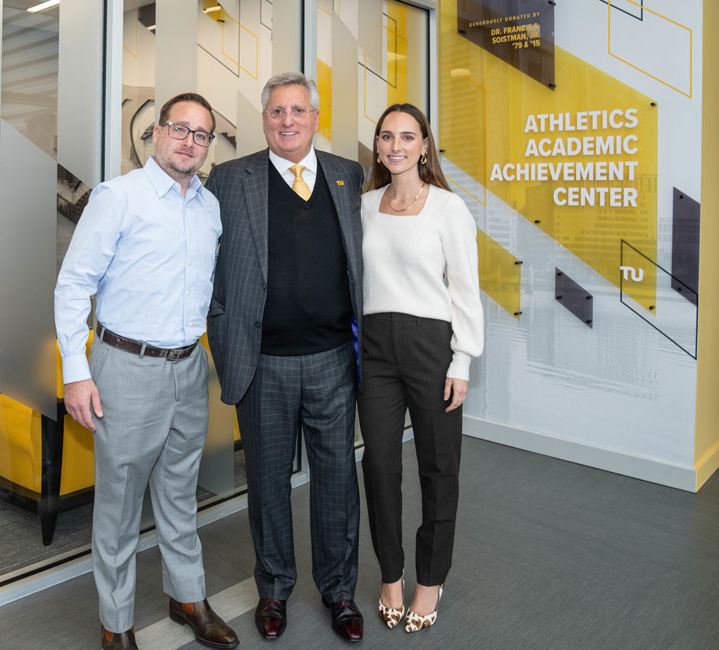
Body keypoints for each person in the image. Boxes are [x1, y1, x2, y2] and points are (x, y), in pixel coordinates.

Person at [54, 93, 239, 650]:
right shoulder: (118, 198)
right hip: (126, 369)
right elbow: (72, 286)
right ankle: (116, 626)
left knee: (182, 493)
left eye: (201, 134)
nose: (190, 141)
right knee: (118, 506)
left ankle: (187, 597)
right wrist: (75, 371)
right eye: (180, 129)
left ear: (208, 146)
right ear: (155, 134)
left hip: (188, 366)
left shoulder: (209, 207)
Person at [204, 72, 365, 643]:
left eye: (298, 110)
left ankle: (339, 590)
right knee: (268, 481)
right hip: (262, 361)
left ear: (316, 119)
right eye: (277, 111)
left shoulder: (348, 175)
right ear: (264, 120)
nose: (287, 120)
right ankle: (273, 588)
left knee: (337, 480)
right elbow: (198, 256)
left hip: (331, 361)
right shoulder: (228, 179)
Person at [358, 103, 484, 633]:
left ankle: (430, 579)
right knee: (379, 465)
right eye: (387, 137)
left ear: (424, 146)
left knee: (438, 468)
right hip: (376, 348)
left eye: (407, 137)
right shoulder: (363, 205)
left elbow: (464, 288)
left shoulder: (448, 208)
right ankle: (392, 574)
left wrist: (462, 360)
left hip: (433, 346)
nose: (395, 146)